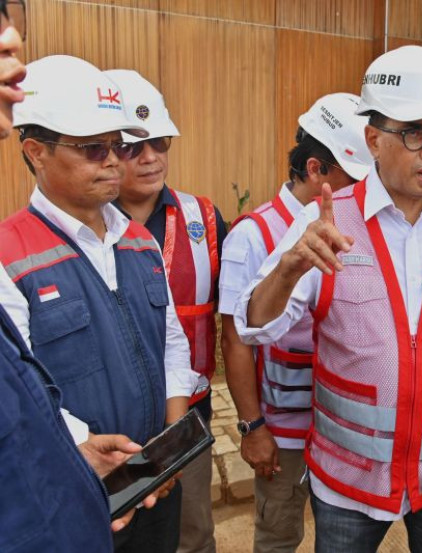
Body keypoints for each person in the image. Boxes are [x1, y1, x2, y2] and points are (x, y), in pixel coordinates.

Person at [234, 45, 422, 553]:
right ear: (373, 140)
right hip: (350, 481)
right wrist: (289, 268)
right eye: (414, 133)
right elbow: (255, 326)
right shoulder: (326, 220)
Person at [0, 54, 199, 553]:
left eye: (117, 145)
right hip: (77, 492)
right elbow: (23, 392)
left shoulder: (139, 243)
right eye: (93, 149)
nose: (114, 160)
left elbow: (170, 341)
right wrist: (84, 451)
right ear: (36, 151)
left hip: (157, 479)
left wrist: (172, 436)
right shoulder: (9, 256)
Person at [219, 92, 372, 553]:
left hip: (341, 426)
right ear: (315, 170)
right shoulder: (253, 234)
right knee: (280, 534)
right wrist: (252, 427)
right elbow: (236, 340)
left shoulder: (358, 228)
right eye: (353, 178)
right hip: (283, 430)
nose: (364, 190)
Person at [105, 68, 227, 553]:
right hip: (109, 425)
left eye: (159, 141)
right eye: (133, 145)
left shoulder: (204, 219)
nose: (151, 157)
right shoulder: (87, 223)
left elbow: (241, 316)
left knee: (192, 532)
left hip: (185, 416)